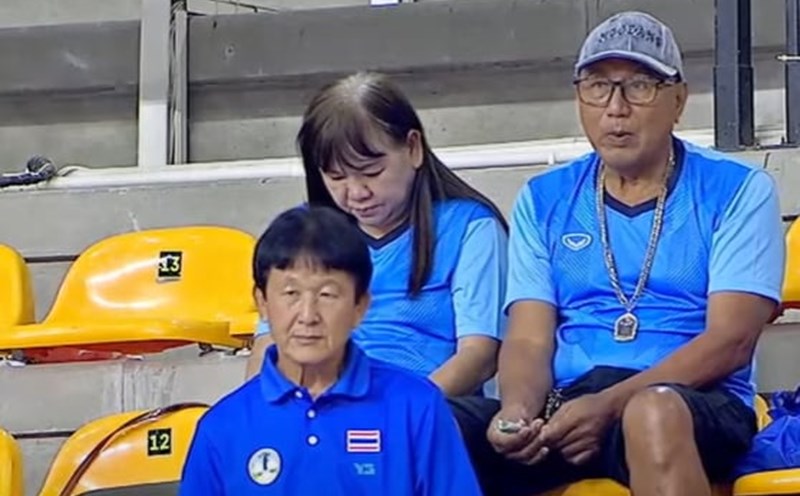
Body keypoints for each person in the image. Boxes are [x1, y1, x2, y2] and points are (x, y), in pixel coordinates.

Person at [449, 11, 785, 496]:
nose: (616, 107)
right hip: (568, 404)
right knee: (428, 421)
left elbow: (730, 342)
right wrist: (518, 412)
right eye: (597, 86)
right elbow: (527, 339)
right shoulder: (545, 198)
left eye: (639, 86)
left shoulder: (736, 190)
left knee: (651, 412)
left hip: (691, 400)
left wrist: (611, 404)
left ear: (678, 100)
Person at [180, 206, 482, 495]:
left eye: (327, 294)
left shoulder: (417, 407)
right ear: (262, 303)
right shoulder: (222, 427)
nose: (308, 315)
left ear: (360, 306)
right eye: (291, 294)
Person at [245, 72, 508, 398]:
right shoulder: (303, 234)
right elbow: (266, 348)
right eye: (336, 176)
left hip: (424, 415)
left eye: (371, 172)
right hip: (315, 414)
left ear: (413, 148)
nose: (356, 193)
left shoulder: (470, 229)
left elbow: (479, 355)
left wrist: (399, 417)